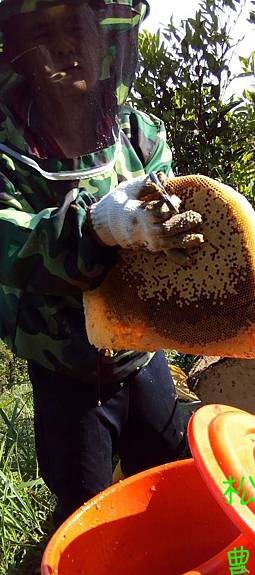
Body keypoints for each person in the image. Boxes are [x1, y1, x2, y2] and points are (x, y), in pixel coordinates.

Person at [0, 0, 204, 527]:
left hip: (144, 357)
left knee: (175, 490)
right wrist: (97, 228)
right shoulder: (7, 157)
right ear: (17, 53)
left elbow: (173, 219)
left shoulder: (139, 137)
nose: (65, 45)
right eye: (43, 32)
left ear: (103, 37)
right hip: (68, 374)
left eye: (74, 27)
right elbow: (10, 244)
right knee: (89, 520)